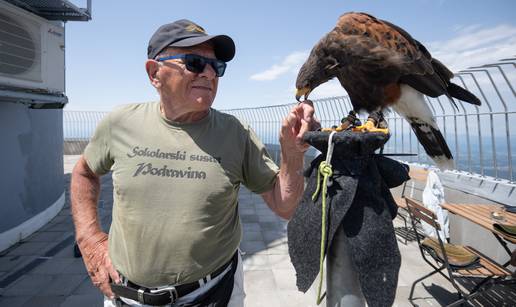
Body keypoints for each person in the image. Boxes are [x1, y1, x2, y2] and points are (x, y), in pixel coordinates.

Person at [70, 19, 318, 306]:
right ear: (154, 72)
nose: (210, 74)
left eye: (218, 67)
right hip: (125, 297)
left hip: (214, 293)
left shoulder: (235, 133)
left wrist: (292, 152)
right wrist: (89, 240)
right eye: (195, 63)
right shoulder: (120, 123)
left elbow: (284, 205)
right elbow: (84, 172)